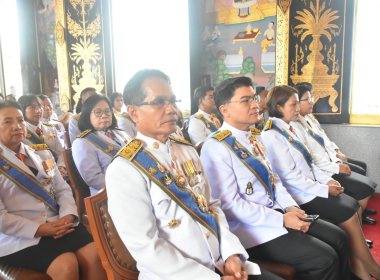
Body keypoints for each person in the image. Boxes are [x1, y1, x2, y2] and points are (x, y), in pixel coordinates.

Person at [106, 69, 281, 280]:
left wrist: (231, 254)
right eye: (160, 102)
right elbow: (146, 247)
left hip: (218, 262)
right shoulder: (126, 168)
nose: (172, 109)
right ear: (134, 113)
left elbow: (211, 205)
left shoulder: (185, 150)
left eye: (172, 101)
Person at [201, 77, 350, 280]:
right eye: (245, 100)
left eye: (254, 98)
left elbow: (274, 180)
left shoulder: (254, 136)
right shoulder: (216, 147)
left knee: (339, 237)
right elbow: (230, 206)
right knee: (324, 258)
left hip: (279, 212)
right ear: (225, 109)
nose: (255, 105)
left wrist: (291, 208)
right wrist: (281, 219)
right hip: (252, 228)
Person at [262, 85, 380, 279]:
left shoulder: (292, 127)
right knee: (347, 209)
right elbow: (289, 177)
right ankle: (371, 267)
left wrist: (328, 182)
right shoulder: (272, 134)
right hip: (299, 194)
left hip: (312, 187)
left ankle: (361, 268)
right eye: (293, 104)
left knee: (350, 204)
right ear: (279, 107)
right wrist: (323, 190)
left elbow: (310, 162)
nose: (298, 108)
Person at [0, 100, 106, 280]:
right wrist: (40, 229)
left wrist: (68, 215)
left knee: (95, 255)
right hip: (20, 237)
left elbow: (63, 189)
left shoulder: (41, 153)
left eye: (19, 120)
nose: (17, 126)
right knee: (66, 265)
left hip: (59, 224)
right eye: (7, 122)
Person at [293, 83, 377, 226]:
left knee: (361, 169)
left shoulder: (308, 118)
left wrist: (337, 152)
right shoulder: (293, 126)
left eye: (311, 98)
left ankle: (358, 214)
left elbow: (324, 139)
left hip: (328, 161)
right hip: (323, 170)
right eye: (307, 99)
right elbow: (311, 156)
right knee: (365, 186)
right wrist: (335, 166)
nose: (311, 102)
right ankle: (357, 219)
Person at [72, 95, 130, 196]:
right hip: (109, 194)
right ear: (87, 115)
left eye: (107, 111)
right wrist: (130, 181)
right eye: (98, 112)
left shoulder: (121, 133)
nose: (104, 115)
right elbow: (94, 179)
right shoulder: (83, 142)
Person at [18, 95, 68, 179]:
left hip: (58, 173)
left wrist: (60, 167)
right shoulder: (20, 133)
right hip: (36, 176)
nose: (38, 111)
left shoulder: (51, 129)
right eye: (33, 107)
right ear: (22, 110)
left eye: (40, 107)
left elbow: (60, 153)